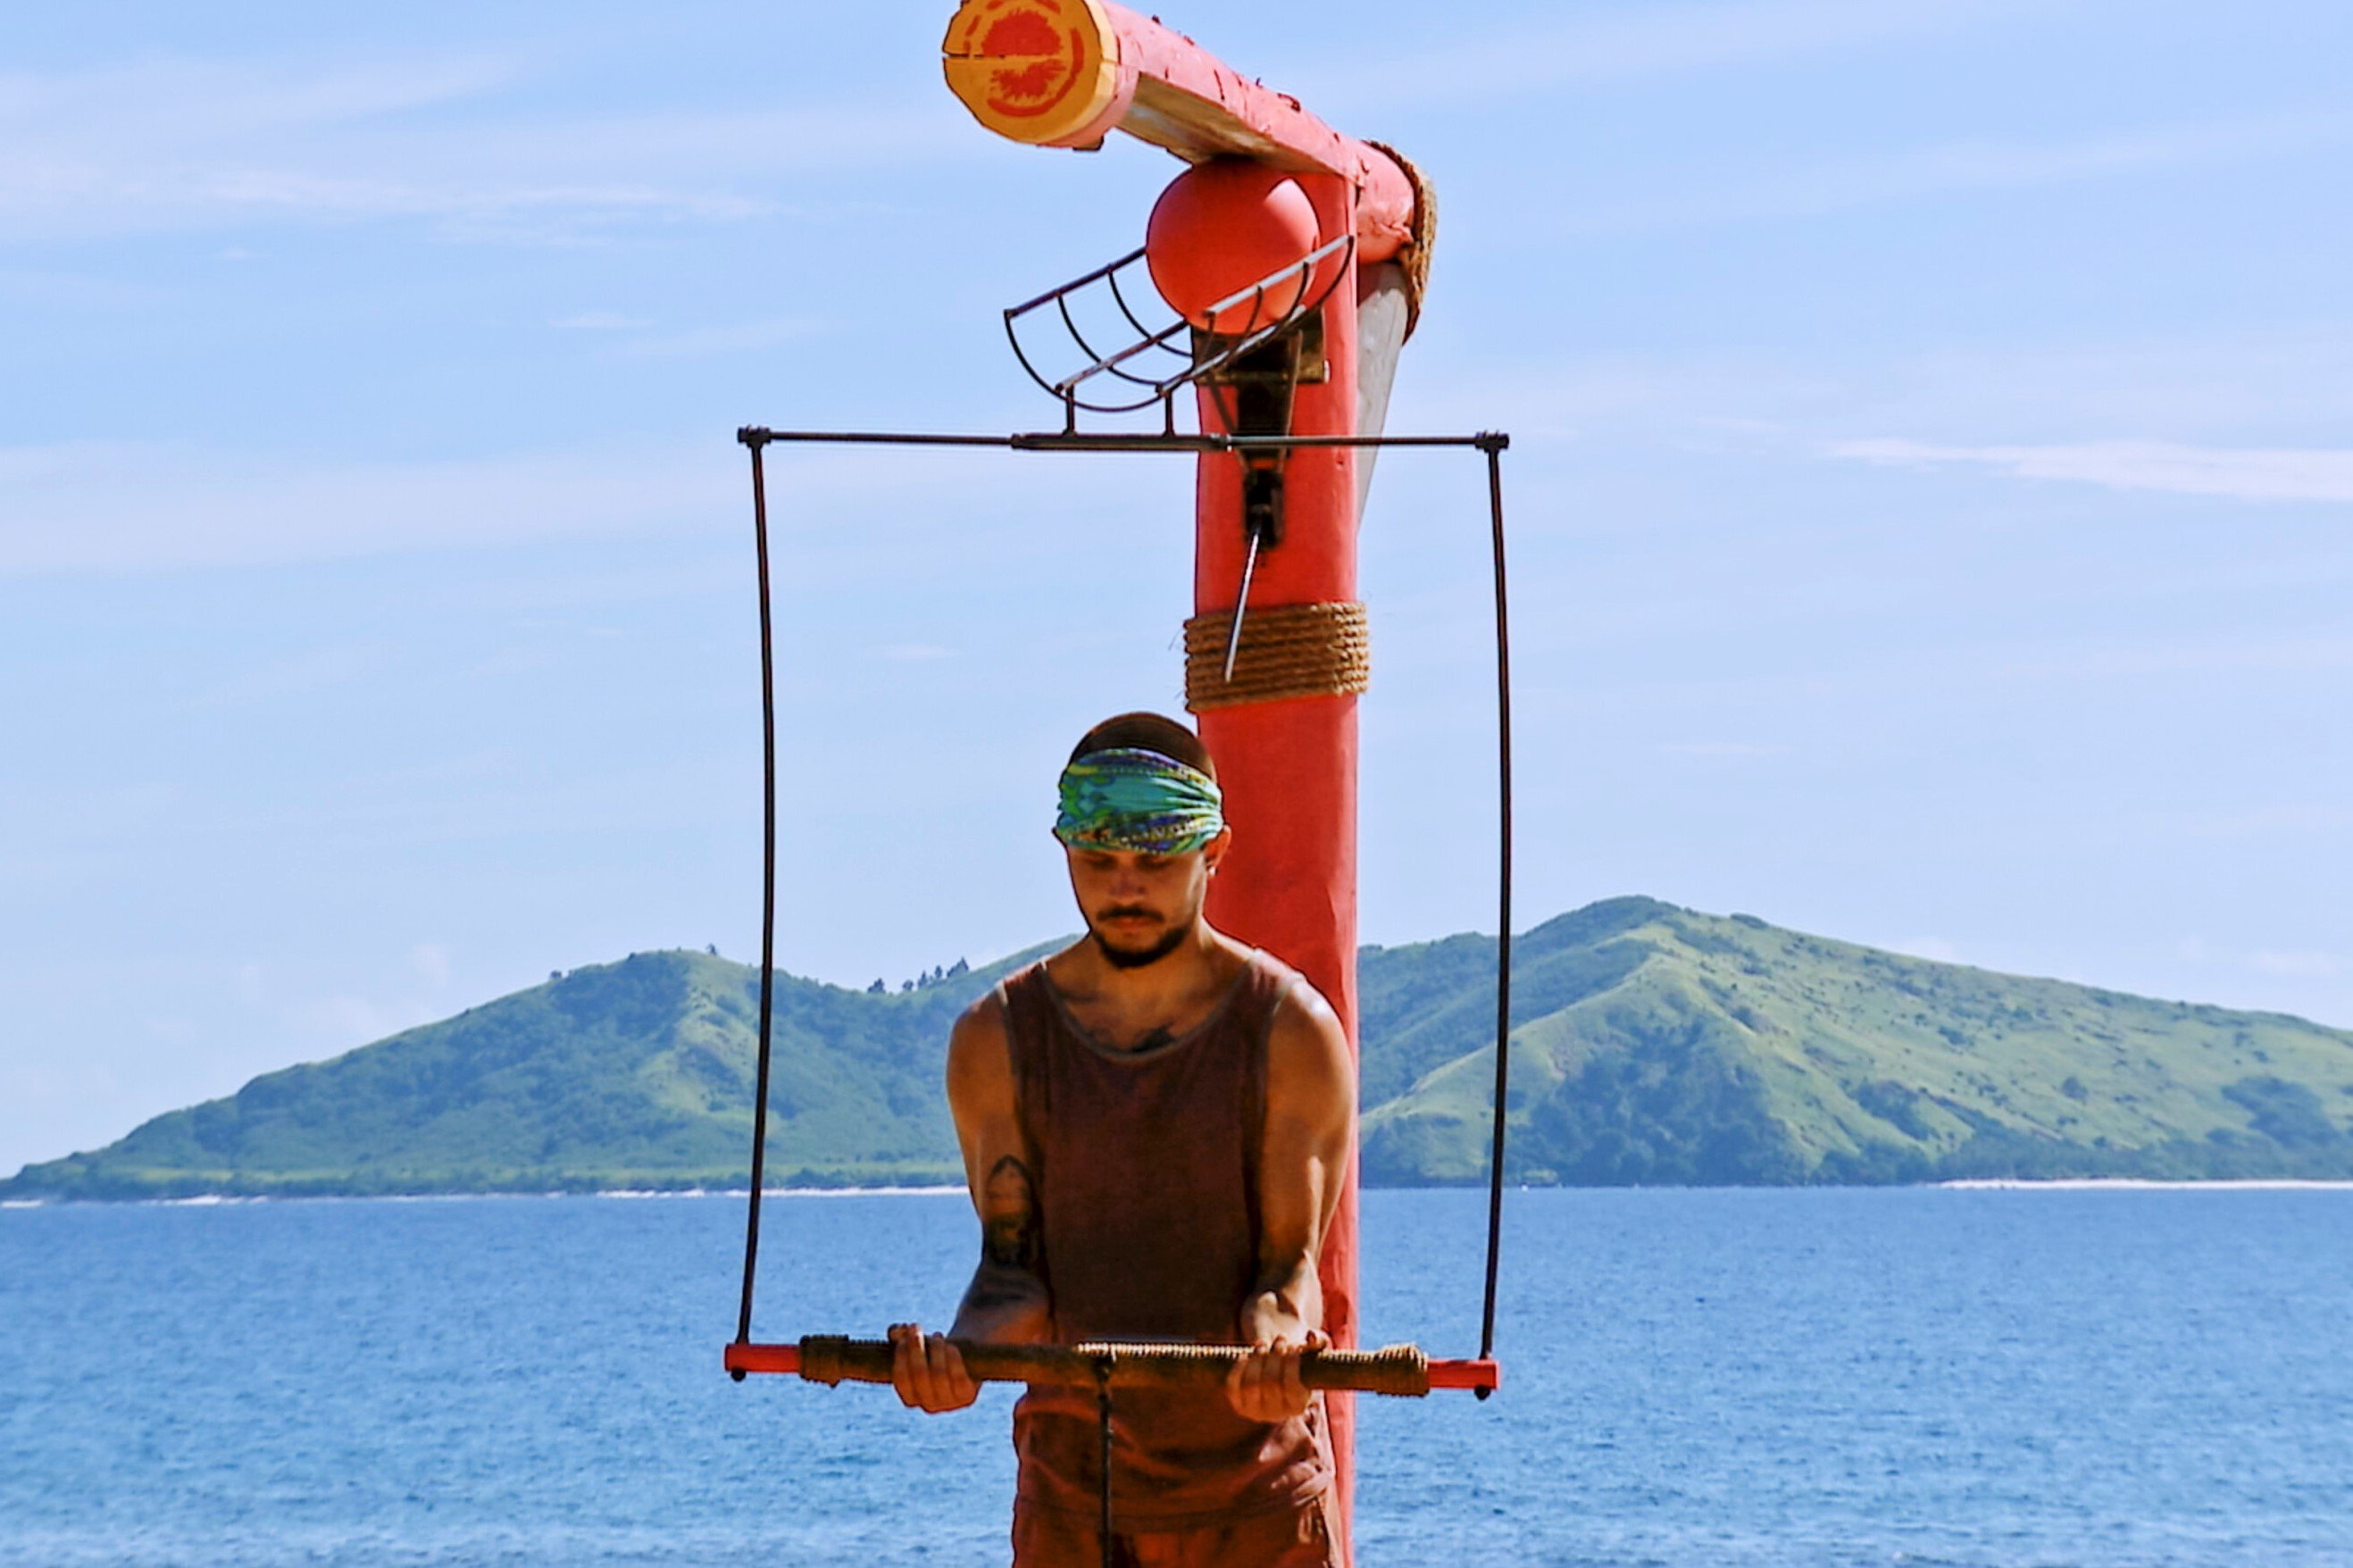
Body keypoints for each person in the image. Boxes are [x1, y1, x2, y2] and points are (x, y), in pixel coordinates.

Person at [889, 711, 1356, 1568]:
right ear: (1064, 852)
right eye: (1098, 861)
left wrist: (1280, 1349)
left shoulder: (1292, 1031)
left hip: (1257, 1506)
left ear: (1214, 852)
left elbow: (1285, 1269)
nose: (1126, 887)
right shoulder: (996, 1038)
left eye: (1156, 861)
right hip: (1071, 1501)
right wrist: (959, 1358)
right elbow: (1012, 1271)